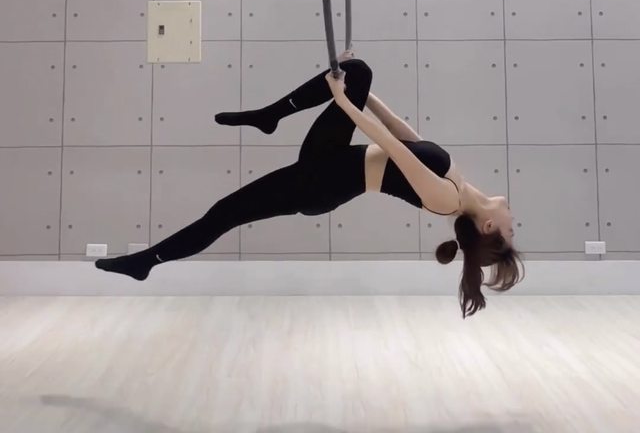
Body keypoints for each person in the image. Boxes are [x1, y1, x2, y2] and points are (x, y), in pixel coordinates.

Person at [96, 51, 523, 317]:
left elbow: (391, 146)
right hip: (332, 160)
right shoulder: (458, 185)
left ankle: (146, 261)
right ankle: (271, 115)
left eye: (510, 229)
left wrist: (342, 100)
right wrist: (356, 92)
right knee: (357, 70)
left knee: (225, 213)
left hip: (321, 184)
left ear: (488, 227)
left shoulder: (446, 199)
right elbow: (400, 130)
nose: (512, 220)